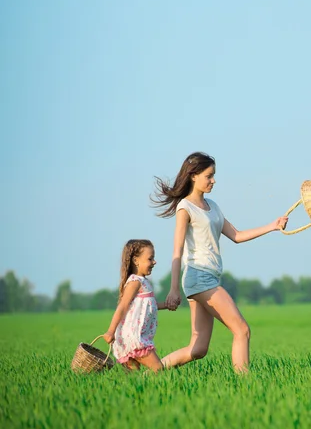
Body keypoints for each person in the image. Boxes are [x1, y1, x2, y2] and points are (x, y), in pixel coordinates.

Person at [152, 151, 288, 373]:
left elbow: (236, 235)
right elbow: (177, 250)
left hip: (209, 277)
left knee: (198, 349)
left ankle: (152, 371)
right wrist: (174, 289)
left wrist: (272, 226)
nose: (213, 180)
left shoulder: (212, 206)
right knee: (242, 330)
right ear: (194, 176)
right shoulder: (185, 208)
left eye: (213, 175)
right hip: (199, 276)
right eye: (209, 175)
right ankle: (246, 385)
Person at [103, 239, 173, 372]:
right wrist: (110, 331)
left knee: (133, 378)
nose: (154, 262)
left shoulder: (144, 282)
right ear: (136, 260)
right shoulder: (135, 282)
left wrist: (166, 305)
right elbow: (122, 307)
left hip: (134, 337)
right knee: (157, 369)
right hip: (134, 338)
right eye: (150, 259)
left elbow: (148, 306)